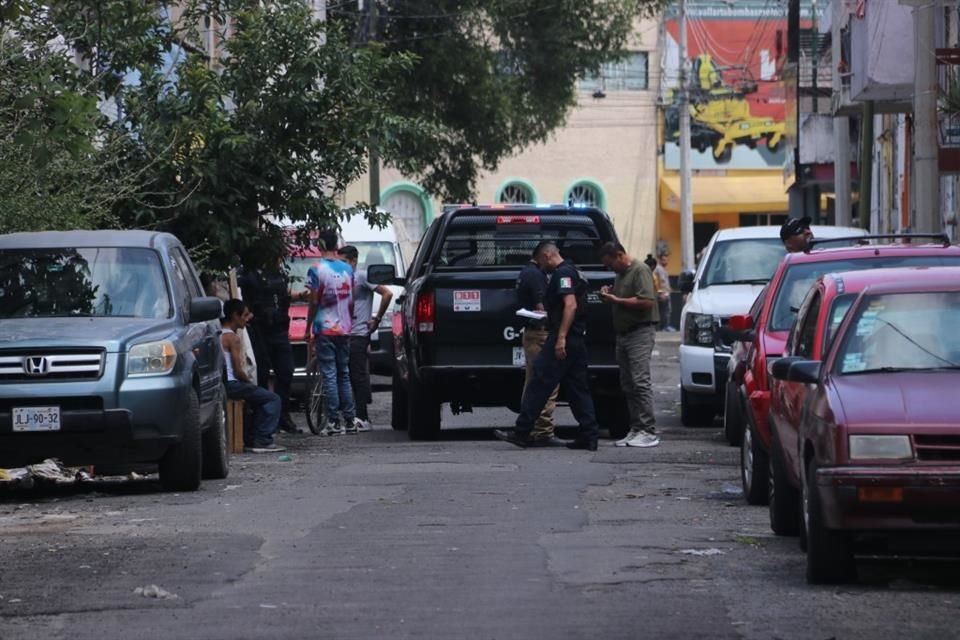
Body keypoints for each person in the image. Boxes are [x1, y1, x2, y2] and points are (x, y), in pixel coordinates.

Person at [495, 241, 600, 451]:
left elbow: (570, 305)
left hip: (564, 338)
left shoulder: (562, 274)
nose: (543, 266)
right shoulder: (575, 271)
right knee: (578, 388)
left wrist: (560, 337)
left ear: (547, 256)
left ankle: (522, 432)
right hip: (576, 338)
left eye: (543, 260)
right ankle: (589, 435)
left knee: (539, 381)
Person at [599, 242, 661, 448]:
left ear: (619, 255)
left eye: (610, 264)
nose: (610, 269)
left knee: (640, 381)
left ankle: (649, 430)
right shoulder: (621, 274)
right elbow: (624, 295)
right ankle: (636, 428)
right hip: (624, 334)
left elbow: (647, 301)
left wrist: (616, 300)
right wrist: (609, 293)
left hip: (640, 332)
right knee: (628, 383)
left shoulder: (639, 270)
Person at [237, 257, 300, 434]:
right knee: (261, 373)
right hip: (260, 329)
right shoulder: (248, 274)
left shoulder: (278, 274)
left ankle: (283, 416)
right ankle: (264, 418)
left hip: (279, 329)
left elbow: (283, 299)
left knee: (286, 372)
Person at [337, 244, 394, 431]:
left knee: (357, 375)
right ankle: (350, 415)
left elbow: (387, 293)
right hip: (343, 332)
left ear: (353, 261)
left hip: (359, 334)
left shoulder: (361, 277)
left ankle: (362, 417)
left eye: (344, 262)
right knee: (345, 375)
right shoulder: (340, 279)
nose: (342, 266)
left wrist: (376, 319)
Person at [306, 228, 357, 436]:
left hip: (325, 328)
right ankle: (350, 420)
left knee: (329, 374)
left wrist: (309, 326)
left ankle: (334, 421)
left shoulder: (316, 269)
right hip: (344, 328)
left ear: (321, 245)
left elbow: (313, 302)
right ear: (336, 244)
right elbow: (351, 302)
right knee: (343, 374)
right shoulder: (347, 269)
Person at [221, 299, 285, 453]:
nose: (248, 317)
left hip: (221, 383)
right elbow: (237, 370)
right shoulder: (233, 338)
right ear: (235, 316)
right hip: (232, 384)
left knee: (257, 398)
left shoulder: (217, 334)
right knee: (273, 399)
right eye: (245, 314)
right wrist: (249, 382)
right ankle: (262, 439)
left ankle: (251, 436)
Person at [515, 247, 561, 446]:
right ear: (545, 256)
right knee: (546, 382)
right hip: (541, 332)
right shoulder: (536, 275)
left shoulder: (526, 273)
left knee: (533, 381)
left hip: (532, 333)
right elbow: (542, 306)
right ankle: (542, 430)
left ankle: (530, 428)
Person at [654, 252, 674, 331]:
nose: (666, 261)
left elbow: (665, 282)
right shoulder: (658, 269)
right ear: (660, 260)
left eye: (666, 260)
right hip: (662, 294)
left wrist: (669, 288)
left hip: (666, 293)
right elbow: (659, 282)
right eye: (664, 260)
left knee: (667, 311)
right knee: (664, 312)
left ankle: (665, 326)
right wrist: (661, 293)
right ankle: (663, 327)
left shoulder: (663, 269)